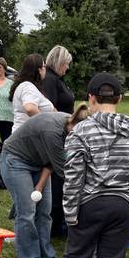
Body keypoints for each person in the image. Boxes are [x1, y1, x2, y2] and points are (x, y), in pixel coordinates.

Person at [63, 73, 129, 258]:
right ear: (119, 99)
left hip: (89, 204)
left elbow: (73, 177)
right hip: (123, 206)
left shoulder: (79, 132)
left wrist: (70, 213)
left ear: (91, 98)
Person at [0, 105, 90, 258]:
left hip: (39, 163)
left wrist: (40, 185)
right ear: (75, 125)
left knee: (44, 212)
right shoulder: (53, 132)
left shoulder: (70, 126)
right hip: (15, 160)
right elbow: (66, 173)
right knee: (27, 213)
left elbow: (50, 164)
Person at [42, 45, 75, 237]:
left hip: (64, 133)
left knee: (60, 178)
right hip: (57, 134)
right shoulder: (50, 81)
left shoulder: (57, 80)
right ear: (60, 62)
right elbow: (50, 109)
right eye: (66, 64)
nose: (67, 68)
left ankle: (59, 219)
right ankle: (56, 222)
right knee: (57, 177)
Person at [10, 53, 54, 133]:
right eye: (44, 66)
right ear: (39, 70)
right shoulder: (28, 87)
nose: (45, 69)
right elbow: (30, 108)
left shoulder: (28, 86)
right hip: (27, 138)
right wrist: (47, 123)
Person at [42, 45, 75, 114]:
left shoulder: (56, 78)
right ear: (59, 63)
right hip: (58, 123)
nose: (68, 67)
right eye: (67, 63)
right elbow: (49, 108)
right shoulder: (49, 79)